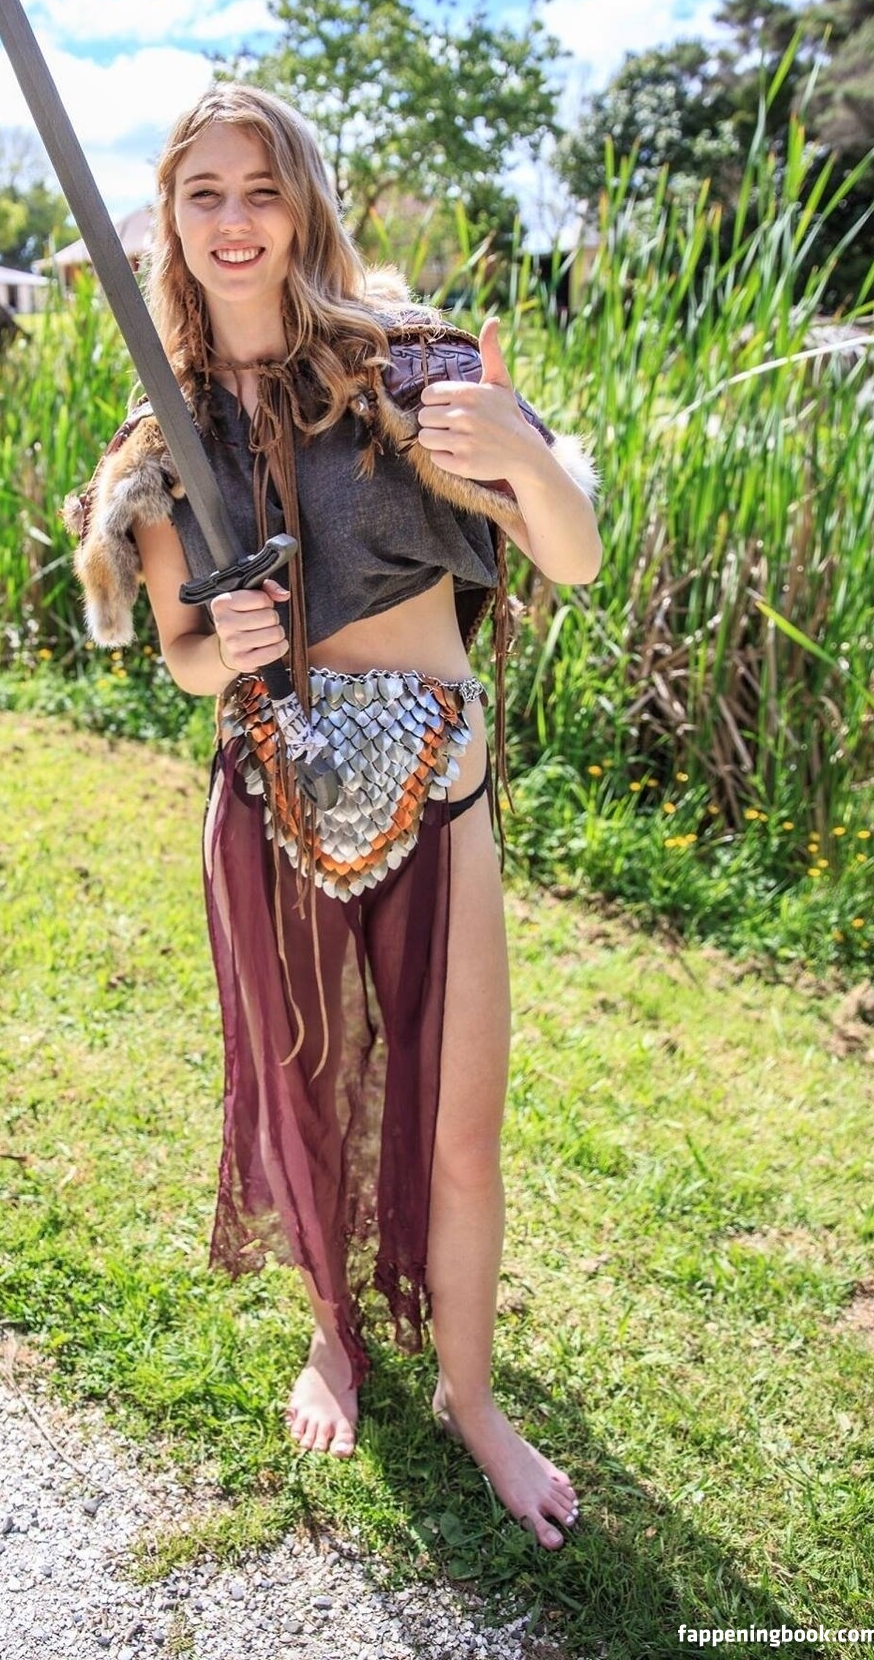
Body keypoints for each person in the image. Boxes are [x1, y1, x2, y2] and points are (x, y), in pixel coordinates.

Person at [63, 84, 601, 1552]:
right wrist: (220, 646)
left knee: (461, 1125)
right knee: (309, 1091)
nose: (235, 222)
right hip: (272, 794)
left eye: (262, 189)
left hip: (440, 783)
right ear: (170, 222)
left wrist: (523, 453)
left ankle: (472, 1399)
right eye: (203, 195)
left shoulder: (409, 369)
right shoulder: (165, 431)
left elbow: (573, 553)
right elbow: (184, 657)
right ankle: (333, 1340)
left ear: (303, 203)